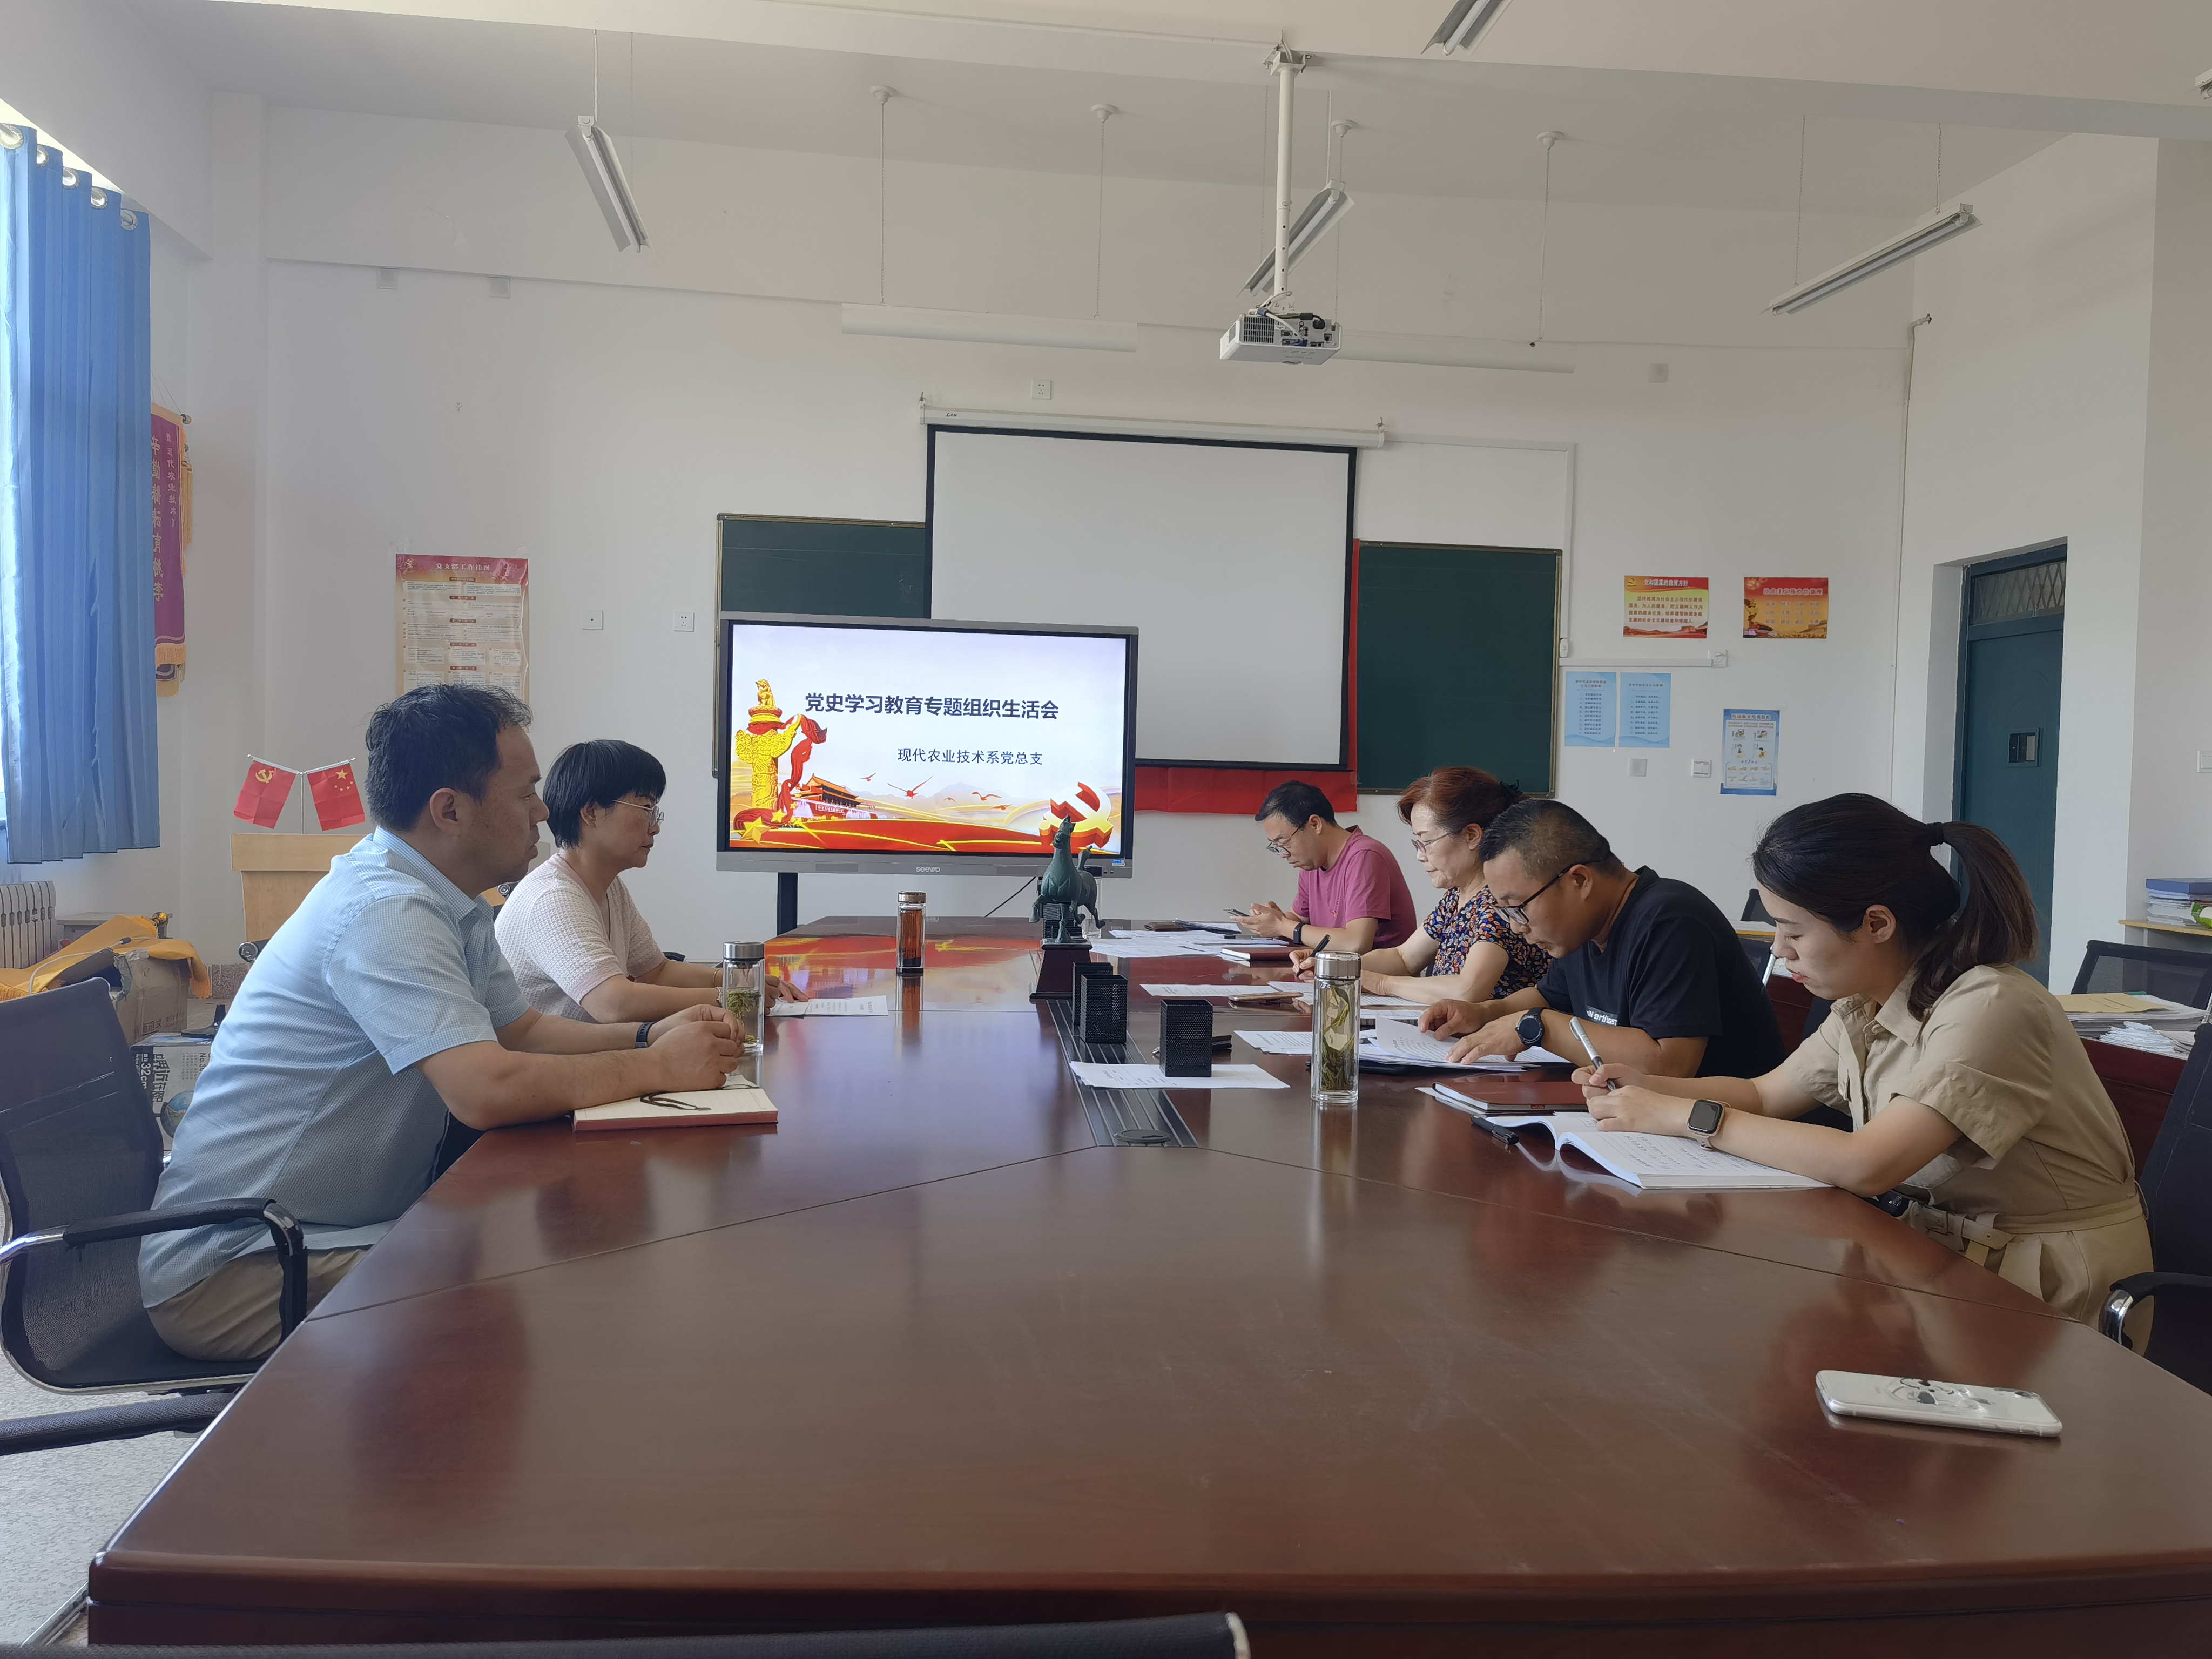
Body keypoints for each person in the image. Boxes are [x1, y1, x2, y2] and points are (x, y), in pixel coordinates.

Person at [139, 687, 740, 1362]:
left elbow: (521, 1032)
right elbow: (484, 1090)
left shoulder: (449, 901)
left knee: (556, 1258)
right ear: (450, 810)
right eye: (526, 793)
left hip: (330, 1230)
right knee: (543, 1284)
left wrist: (649, 1037)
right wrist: (658, 1067)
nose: (544, 811)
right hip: (241, 1262)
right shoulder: (386, 910)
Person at [1574, 794, 2149, 1327]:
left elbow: (1868, 1164)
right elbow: (1764, 1095)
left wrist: (1686, 1117)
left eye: (1793, 931)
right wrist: (1647, 1088)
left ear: (1876, 923)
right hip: (1936, 1254)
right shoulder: (1866, 1004)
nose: (1779, 950)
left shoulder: (1990, 1006)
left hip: (2045, 1283)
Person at [1419, 798, 1783, 1077]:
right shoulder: (1582, 928)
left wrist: (1537, 1027)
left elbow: (1670, 1063)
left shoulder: (1670, 920)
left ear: (1579, 881)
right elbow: (1549, 996)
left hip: (1728, 1135)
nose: (1517, 927)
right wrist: (1484, 1013)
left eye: (1518, 908)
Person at [496, 739, 805, 1020]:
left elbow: (657, 971)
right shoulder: (553, 897)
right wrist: (735, 997)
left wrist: (741, 980)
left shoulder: (609, 886)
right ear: (591, 813)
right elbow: (614, 1004)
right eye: (646, 808)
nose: (654, 827)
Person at [1291, 766, 1549, 1007]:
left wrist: (1383, 984)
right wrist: (1330, 965)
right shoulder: (1457, 895)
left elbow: (1468, 990)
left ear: (1471, 836)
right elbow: (1404, 958)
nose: (1420, 856)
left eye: (1426, 842)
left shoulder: (1500, 902)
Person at [1240, 779, 1417, 955]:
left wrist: (1283, 926)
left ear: (1315, 824)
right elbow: (1299, 920)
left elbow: (1356, 944)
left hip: (1373, 972)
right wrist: (1275, 921)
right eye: (1276, 846)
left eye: (1284, 843)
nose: (1283, 854)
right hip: (1330, 969)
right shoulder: (1313, 864)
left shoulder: (1364, 856)